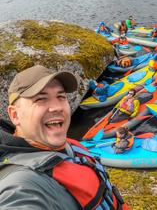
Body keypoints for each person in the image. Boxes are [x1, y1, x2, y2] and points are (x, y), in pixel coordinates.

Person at [0, 65, 128, 210]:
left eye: (61, 96)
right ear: (15, 115)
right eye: (41, 99)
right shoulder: (22, 187)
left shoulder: (66, 146)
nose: (57, 107)